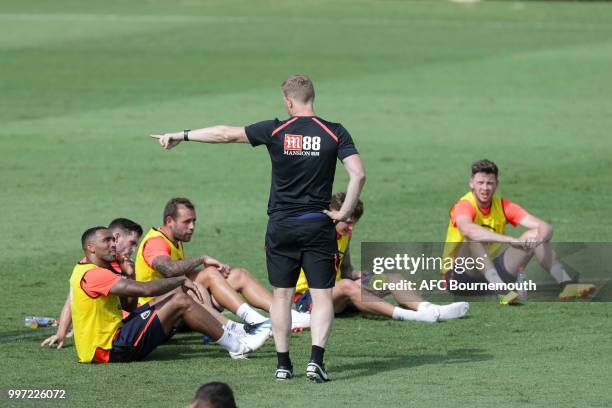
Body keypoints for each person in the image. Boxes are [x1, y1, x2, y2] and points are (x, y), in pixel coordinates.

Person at [152, 74, 366, 382]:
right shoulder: (334, 132)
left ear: (288, 101)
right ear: (312, 99)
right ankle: (316, 360)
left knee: (281, 295)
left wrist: (181, 134)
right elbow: (358, 175)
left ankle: (283, 364)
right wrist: (343, 212)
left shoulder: (276, 129)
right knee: (321, 297)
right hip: (317, 225)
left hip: (281, 226)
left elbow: (225, 133)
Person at [68, 226, 269, 363]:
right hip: (110, 349)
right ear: (91, 248)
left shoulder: (89, 268)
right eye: (107, 241)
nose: (113, 244)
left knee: (176, 294)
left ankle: (240, 331)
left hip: (116, 338)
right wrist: (181, 280)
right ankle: (237, 346)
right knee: (181, 297)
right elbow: (146, 290)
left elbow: (129, 306)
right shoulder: (94, 275)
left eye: (113, 239)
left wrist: (129, 275)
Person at [135, 198, 310, 335]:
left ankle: (286, 315)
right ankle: (256, 322)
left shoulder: (174, 241)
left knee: (238, 275)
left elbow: (184, 274)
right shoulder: (156, 242)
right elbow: (169, 270)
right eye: (187, 222)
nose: (192, 227)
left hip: (185, 301)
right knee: (210, 274)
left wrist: (217, 274)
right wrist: (203, 260)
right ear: (169, 221)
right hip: (160, 313)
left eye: (194, 221)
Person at [294, 192, 469, 323]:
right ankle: (414, 317)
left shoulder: (345, 235)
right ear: (333, 214)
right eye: (347, 222)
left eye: (353, 223)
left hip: (337, 294)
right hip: (309, 299)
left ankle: (431, 310)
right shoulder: (315, 233)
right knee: (347, 285)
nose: (351, 228)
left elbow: (346, 269)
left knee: (392, 278)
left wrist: (360, 274)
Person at [442, 159, 595, 304]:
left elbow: (545, 227)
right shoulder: (464, 205)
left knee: (535, 234)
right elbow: (468, 229)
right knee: (472, 239)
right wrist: (510, 239)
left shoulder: (502, 205)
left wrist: (538, 241)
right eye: (480, 182)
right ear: (471, 184)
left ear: (496, 185)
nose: (485, 188)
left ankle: (566, 284)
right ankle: (501, 290)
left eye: (490, 183)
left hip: (491, 272)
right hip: (460, 277)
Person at [41, 218, 143, 349]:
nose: (134, 249)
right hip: (113, 332)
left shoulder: (126, 263)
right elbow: (72, 299)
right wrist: (61, 333)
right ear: (117, 237)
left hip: (127, 320)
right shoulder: (92, 264)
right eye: (132, 243)